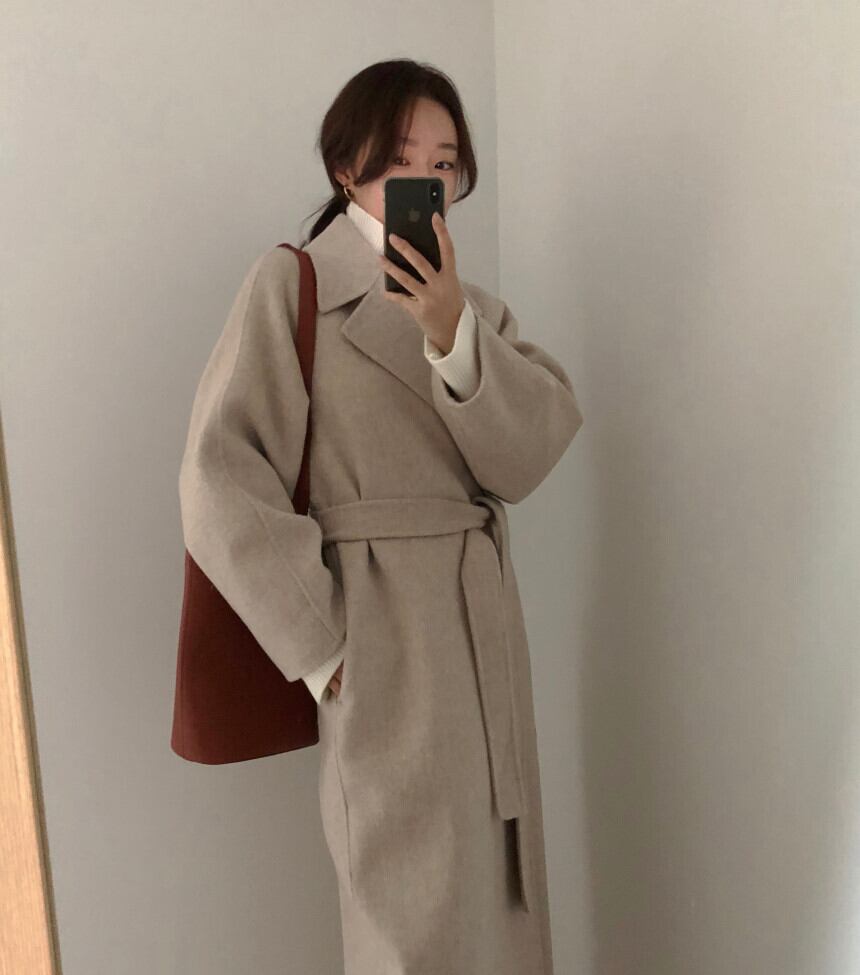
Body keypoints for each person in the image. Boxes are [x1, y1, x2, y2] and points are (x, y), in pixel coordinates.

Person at [178, 57, 583, 975]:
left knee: (499, 910)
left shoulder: (474, 311)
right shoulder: (294, 286)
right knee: (410, 918)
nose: (426, 180)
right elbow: (217, 475)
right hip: (384, 642)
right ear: (345, 166)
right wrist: (328, 653)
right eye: (402, 158)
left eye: (444, 164)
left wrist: (449, 332)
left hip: (482, 638)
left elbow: (530, 454)